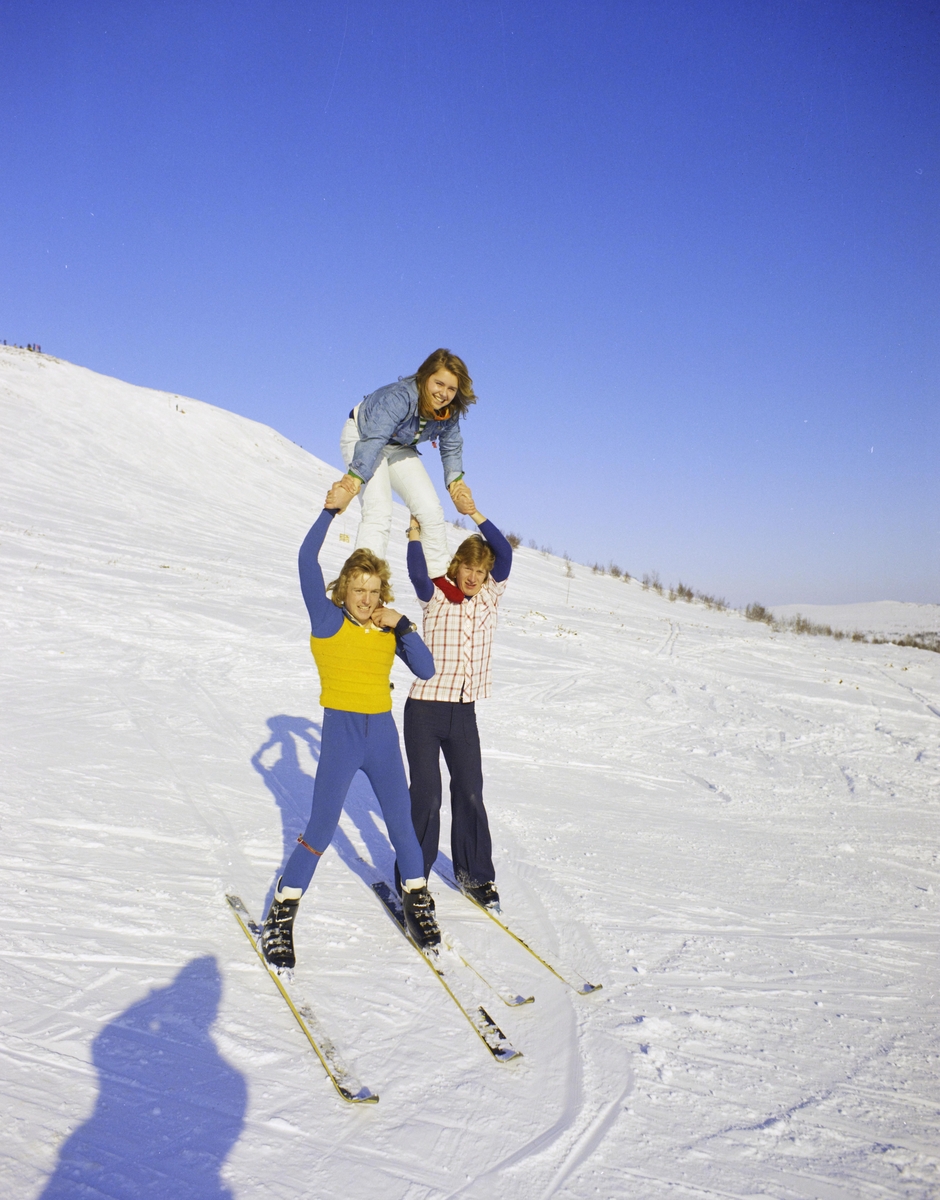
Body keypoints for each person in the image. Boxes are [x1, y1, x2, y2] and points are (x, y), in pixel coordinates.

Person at [260, 487, 442, 972]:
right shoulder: (326, 620)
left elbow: (424, 670)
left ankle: (417, 898)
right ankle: (284, 907)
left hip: (382, 737)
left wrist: (402, 625)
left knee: (402, 825)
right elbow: (305, 557)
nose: (366, 599)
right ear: (343, 590)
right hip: (342, 737)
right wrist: (329, 511)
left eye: (373, 590)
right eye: (357, 589)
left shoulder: (388, 629)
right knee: (321, 827)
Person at [398, 485, 512, 911]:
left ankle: (475, 874)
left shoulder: (488, 599)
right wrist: (412, 535)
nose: (474, 578)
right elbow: (414, 575)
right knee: (426, 795)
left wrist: (476, 513)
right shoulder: (436, 597)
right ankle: (413, 880)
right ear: (457, 564)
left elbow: (506, 552)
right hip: (424, 710)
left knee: (470, 792)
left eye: (481, 572)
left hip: (464, 712)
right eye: (469, 568)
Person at [329, 349, 477, 578]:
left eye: (451, 389)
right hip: (364, 435)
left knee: (430, 509)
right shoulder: (401, 397)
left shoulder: (450, 411)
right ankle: (364, 583)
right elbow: (375, 439)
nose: (444, 393)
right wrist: (351, 483)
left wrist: (456, 486)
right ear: (425, 376)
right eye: (439, 383)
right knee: (378, 509)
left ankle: (439, 582)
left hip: (399, 446)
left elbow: (451, 445)